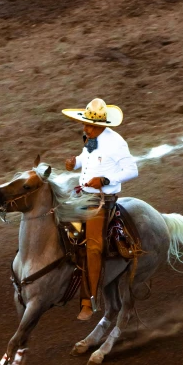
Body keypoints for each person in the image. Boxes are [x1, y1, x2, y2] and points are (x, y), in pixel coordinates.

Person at [63, 98, 138, 321]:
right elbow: (87, 159)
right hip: (83, 196)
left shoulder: (117, 143)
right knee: (62, 225)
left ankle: (90, 300)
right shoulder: (91, 139)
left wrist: (105, 179)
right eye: (85, 124)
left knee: (94, 247)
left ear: (103, 125)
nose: (85, 129)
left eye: (90, 125)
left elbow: (132, 170)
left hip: (102, 201)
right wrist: (74, 162)